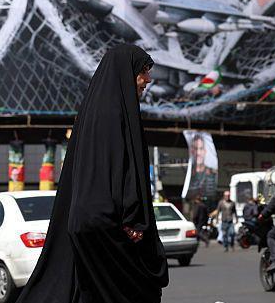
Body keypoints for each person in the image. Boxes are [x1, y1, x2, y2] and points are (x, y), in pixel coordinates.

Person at [17, 44, 168, 303]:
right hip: (110, 229)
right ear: (125, 73)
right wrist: (132, 220)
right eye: (143, 71)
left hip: (89, 225)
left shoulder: (93, 114)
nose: (148, 79)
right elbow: (120, 171)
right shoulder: (114, 115)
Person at [186, 134, 217, 201]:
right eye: (195, 148)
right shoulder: (188, 173)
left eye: (201, 148)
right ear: (192, 151)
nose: (198, 153)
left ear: (205, 151)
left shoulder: (212, 172)